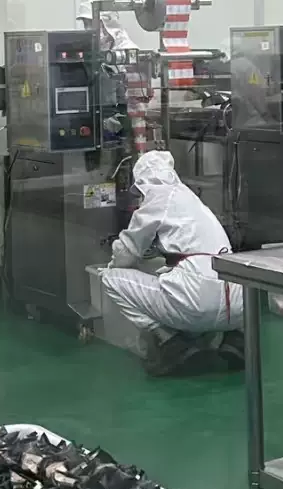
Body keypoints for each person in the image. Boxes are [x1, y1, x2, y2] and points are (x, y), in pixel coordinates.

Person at [99, 149, 243, 376]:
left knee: (110, 279)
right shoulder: (191, 200)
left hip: (197, 303)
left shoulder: (158, 198)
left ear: (143, 182)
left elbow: (127, 252)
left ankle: (171, 344)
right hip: (236, 306)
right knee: (183, 280)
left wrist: (113, 263)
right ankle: (235, 340)